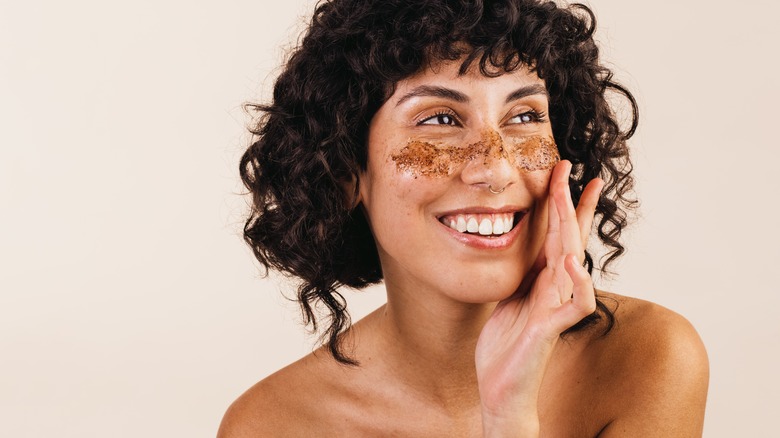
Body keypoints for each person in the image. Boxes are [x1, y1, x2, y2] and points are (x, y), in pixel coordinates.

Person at [218, 0, 709, 436]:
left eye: (524, 117)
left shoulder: (646, 360)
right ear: (348, 172)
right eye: (439, 119)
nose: (495, 169)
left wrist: (510, 416)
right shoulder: (273, 425)